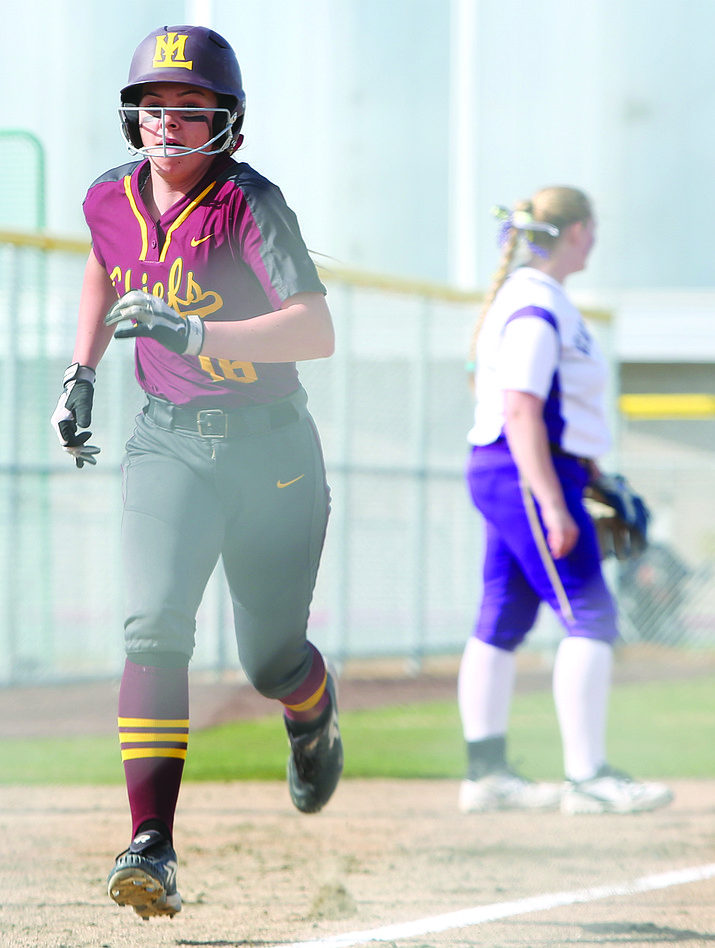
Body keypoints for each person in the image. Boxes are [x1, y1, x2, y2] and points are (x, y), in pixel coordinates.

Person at [49, 26, 341, 918]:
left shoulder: (251, 205)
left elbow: (314, 331)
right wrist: (82, 371)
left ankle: (312, 710)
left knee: (269, 658)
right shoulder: (110, 195)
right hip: (168, 442)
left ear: (230, 127)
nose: (167, 124)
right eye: (154, 106)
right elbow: (105, 261)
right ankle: (151, 843)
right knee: (152, 630)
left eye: (190, 108)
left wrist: (196, 333)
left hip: (271, 452)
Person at [458, 186, 673, 815]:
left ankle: (487, 774)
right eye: (592, 228)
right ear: (575, 232)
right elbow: (520, 407)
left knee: (503, 615)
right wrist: (554, 503)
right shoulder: (534, 304)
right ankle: (589, 778)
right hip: (527, 470)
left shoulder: (534, 297)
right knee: (590, 611)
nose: (595, 239)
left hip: (526, 468)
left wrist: (590, 473)